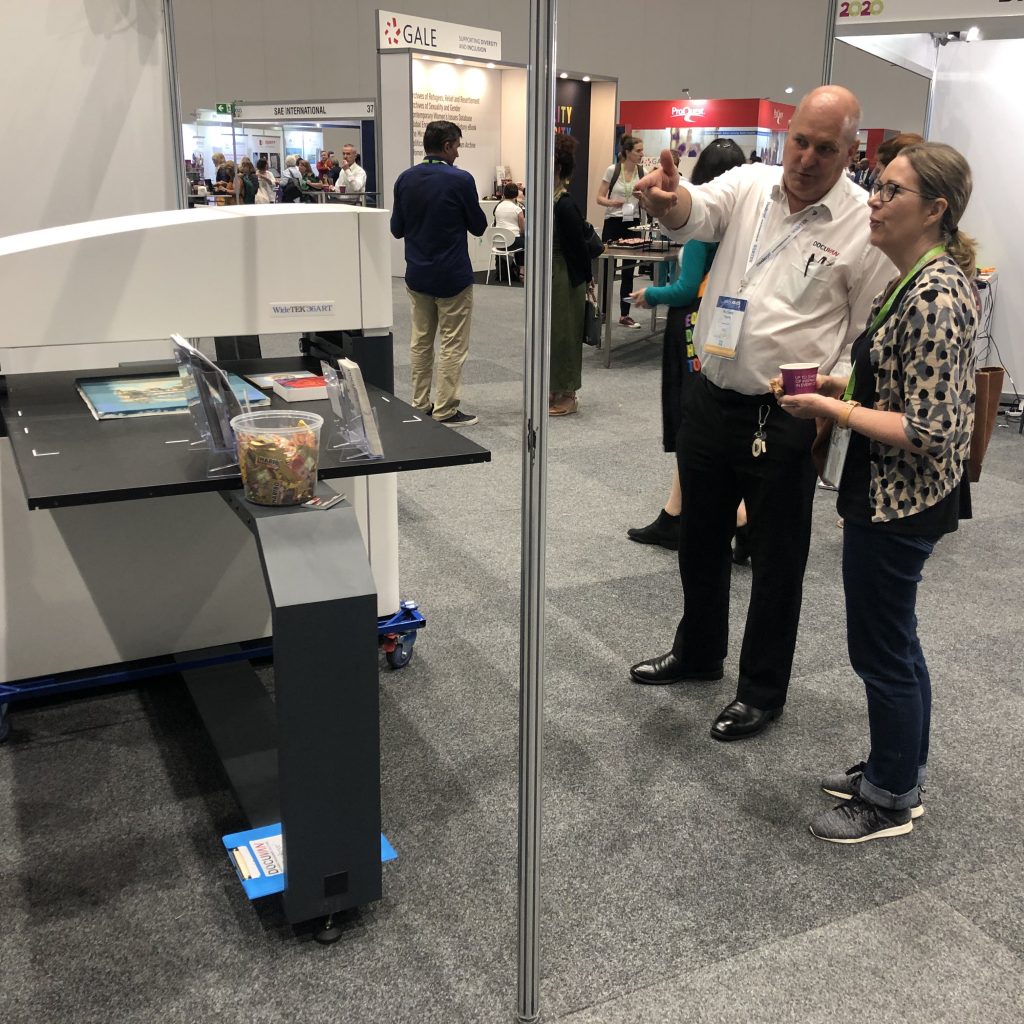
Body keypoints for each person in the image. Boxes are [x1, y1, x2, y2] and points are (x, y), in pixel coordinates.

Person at [629, 85, 895, 742]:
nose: (806, 158)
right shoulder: (753, 183)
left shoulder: (861, 226)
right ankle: (698, 653)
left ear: (850, 152)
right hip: (713, 393)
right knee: (699, 539)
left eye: (825, 148)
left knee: (776, 559)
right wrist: (670, 201)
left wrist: (828, 405)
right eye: (799, 141)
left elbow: (863, 337)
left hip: (787, 412)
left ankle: (761, 691)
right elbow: (696, 210)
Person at [776, 142, 978, 842]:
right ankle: (899, 770)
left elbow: (929, 428)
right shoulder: (916, 278)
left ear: (936, 209)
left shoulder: (935, 295)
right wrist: (842, 384)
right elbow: (901, 381)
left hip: (901, 498)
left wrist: (831, 410)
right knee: (896, 640)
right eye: (877, 186)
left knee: (881, 649)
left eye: (892, 191)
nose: (875, 201)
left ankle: (890, 798)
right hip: (894, 492)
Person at [626, 138, 747, 551]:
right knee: (712, 422)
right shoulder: (745, 226)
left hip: (694, 327)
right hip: (731, 327)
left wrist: (650, 294)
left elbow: (685, 288)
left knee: (691, 422)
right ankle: (678, 513)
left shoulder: (702, 229)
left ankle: (732, 518)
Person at [390, 120, 487, 426]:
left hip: (418, 274)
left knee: (420, 341)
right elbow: (479, 226)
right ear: (446, 146)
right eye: (457, 146)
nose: (458, 153)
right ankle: (445, 409)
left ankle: (419, 404)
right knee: (452, 344)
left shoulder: (405, 179)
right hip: (453, 276)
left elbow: (396, 229)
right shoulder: (461, 180)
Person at [549, 134, 593, 416]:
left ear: (558, 168)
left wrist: (587, 279)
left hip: (565, 275)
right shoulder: (547, 199)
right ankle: (554, 386)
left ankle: (568, 393)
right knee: (551, 334)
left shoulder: (564, 204)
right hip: (549, 274)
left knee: (566, 334)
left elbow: (578, 248)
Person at [596, 134, 645, 328]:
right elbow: (599, 198)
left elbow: (647, 202)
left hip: (633, 223)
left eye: (642, 150)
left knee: (628, 270)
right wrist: (612, 202)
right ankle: (602, 312)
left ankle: (625, 314)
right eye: (638, 151)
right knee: (607, 269)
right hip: (613, 222)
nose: (642, 154)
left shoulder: (642, 172)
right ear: (627, 152)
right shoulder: (612, 170)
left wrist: (642, 197)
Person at [493, 182, 525, 282]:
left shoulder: (497, 207)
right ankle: (522, 271)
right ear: (516, 194)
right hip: (511, 242)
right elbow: (523, 229)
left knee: (520, 242)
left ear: (504, 193)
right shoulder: (517, 209)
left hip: (498, 242)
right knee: (525, 243)